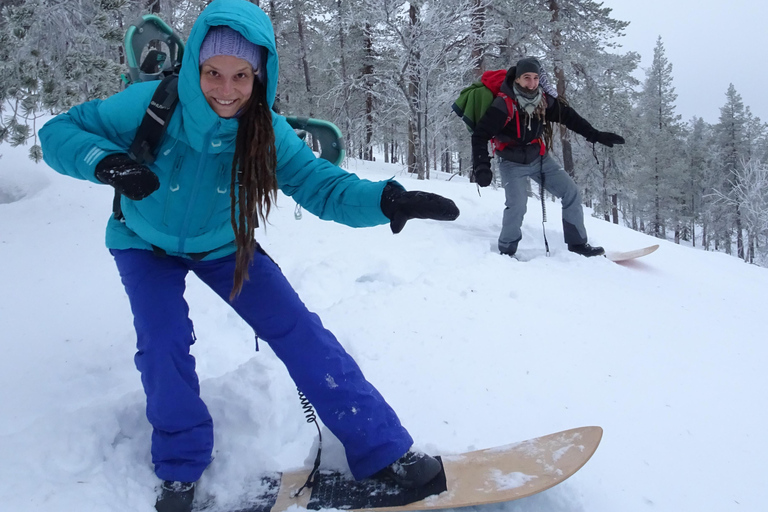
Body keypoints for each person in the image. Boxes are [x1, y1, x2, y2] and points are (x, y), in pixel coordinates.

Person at [39, 1, 458, 510]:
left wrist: (385, 200)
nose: (226, 88)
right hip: (143, 243)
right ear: (195, 65)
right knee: (163, 342)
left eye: (242, 75)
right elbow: (59, 132)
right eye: (213, 72)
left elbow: (320, 184)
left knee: (301, 332)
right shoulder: (151, 104)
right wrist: (106, 163)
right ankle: (179, 466)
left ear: (261, 76)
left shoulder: (266, 131)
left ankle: (383, 447)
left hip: (223, 245)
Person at [471, 57, 625, 258]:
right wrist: (482, 166)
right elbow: (480, 135)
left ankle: (578, 244)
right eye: (527, 78)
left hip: (540, 158)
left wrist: (594, 134)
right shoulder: (503, 104)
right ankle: (506, 250)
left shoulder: (543, 101)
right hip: (511, 162)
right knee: (517, 205)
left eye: (535, 78)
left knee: (571, 192)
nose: (532, 83)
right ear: (517, 79)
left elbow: (569, 117)